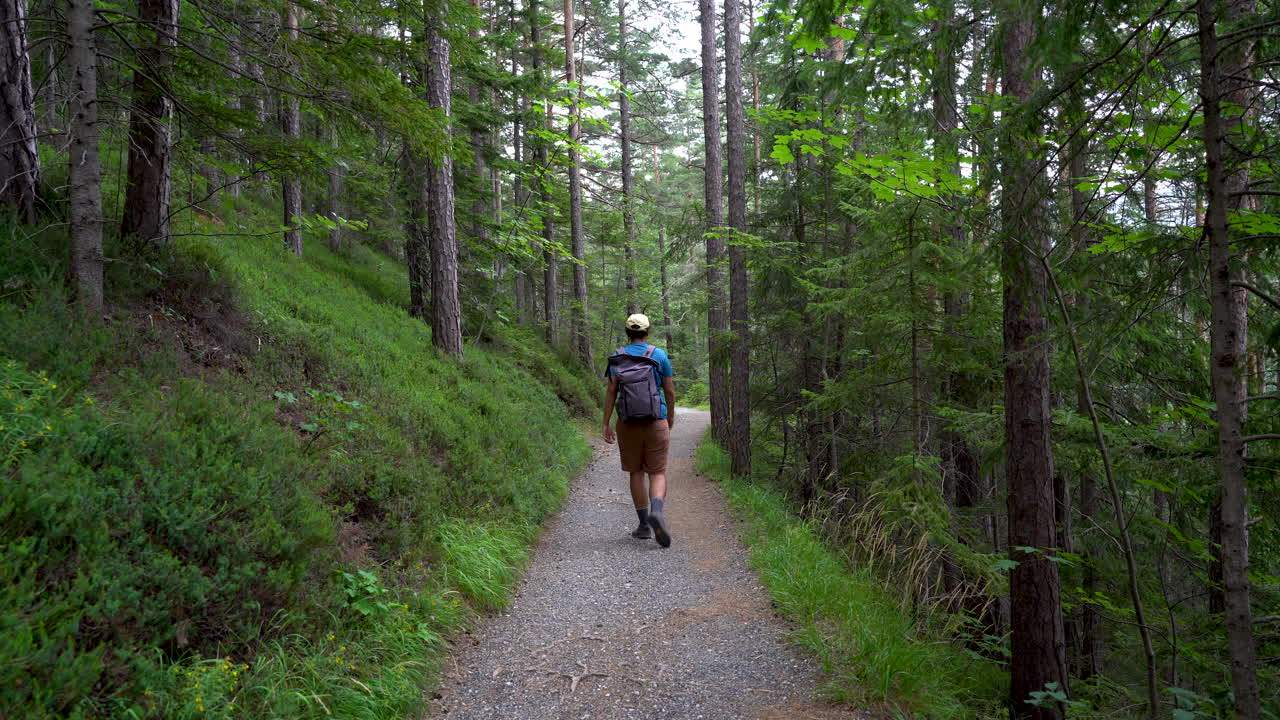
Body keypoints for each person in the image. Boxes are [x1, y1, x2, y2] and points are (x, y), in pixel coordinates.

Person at [602, 313, 676, 547]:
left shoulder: (616, 358)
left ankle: (644, 526)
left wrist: (605, 423)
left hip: (628, 422)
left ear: (627, 333)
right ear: (648, 331)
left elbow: (612, 392)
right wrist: (670, 417)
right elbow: (670, 391)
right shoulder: (659, 355)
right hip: (656, 420)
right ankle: (657, 511)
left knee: (636, 472)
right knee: (657, 472)